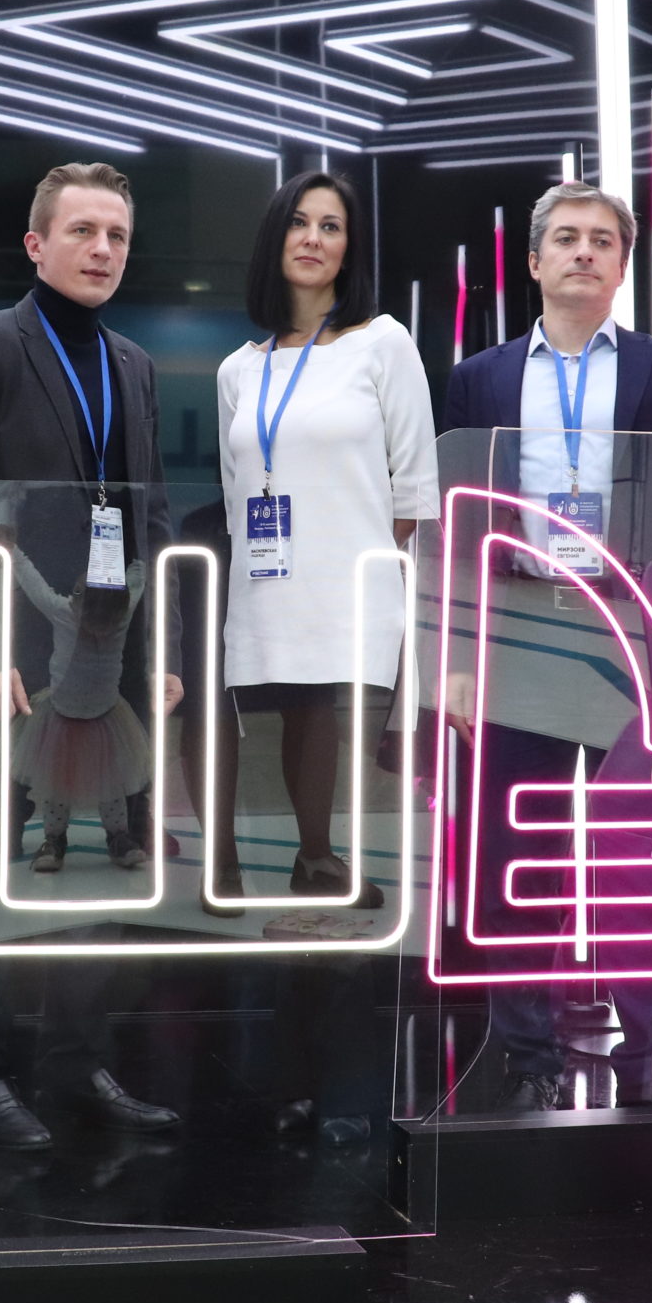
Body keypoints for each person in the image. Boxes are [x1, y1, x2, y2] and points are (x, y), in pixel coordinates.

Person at [0, 161, 183, 1149]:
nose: (102, 249)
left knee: (103, 873)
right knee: (3, 858)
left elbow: (151, 516)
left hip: (110, 652)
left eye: (116, 234)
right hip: (17, 654)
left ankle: (76, 1061)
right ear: (36, 244)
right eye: (82, 231)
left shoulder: (134, 363)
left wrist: (158, 648)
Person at [441, 180, 652, 1112]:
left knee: (634, 848)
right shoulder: (479, 377)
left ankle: (651, 1048)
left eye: (602, 239)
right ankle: (528, 1052)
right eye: (566, 238)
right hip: (522, 626)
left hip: (630, 626)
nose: (584, 252)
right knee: (517, 846)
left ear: (623, 264)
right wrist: (459, 655)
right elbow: (459, 523)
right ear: (534, 259)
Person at [207, 170, 435, 916]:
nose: (313, 238)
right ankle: (263, 862)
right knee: (284, 708)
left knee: (332, 715)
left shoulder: (383, 342)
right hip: (268, 575)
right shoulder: (238, 369)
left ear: (349, 247)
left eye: (330, 226)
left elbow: (414, 483)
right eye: (299, 222)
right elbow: (237, 488)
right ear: (274, 240)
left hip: (354, 576)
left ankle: (317, 855)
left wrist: (373, 565)